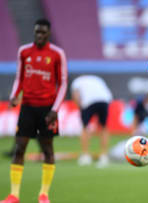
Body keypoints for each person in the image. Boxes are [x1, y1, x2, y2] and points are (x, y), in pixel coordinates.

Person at [1, 19, 68, 203]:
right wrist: (15, 95)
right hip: (28, 107)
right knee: (19, 148)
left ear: (48, 34)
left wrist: (55, 109)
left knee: (47, 149)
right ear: (34, 32)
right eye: (37, 32)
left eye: (43, 33)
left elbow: (62, 83)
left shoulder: (57, 54)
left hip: (47, 109)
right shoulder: (24, 51)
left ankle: (43, 194)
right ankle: (14, 195)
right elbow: (19, 77)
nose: (39, 35)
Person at [71, 75, 113, 168]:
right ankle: (104, 155)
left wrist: (81, 108)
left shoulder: (76, 81)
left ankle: (85, 155)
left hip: (88, 101)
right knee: (104, 127)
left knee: (85, 127)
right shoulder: (98, 79)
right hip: (104, 100)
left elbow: (76, 96)